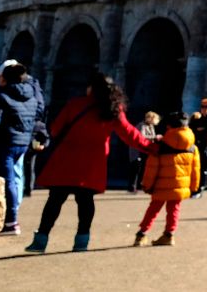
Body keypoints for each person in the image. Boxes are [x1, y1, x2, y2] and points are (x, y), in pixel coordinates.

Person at [24, 74, 157, 253]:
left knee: (55, 200)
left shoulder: (75, 104)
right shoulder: (113, 109)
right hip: (92, 163)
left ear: (91, 88)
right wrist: (153, 148)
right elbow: (130, 134)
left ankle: (41, 239)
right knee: (85, 202)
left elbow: (55, 130)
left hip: (67, 159)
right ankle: (81, 241)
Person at [0, 60, 46, 236]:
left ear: (4, 79)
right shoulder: (31, 95)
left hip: (5, 142)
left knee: (7, 181)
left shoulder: (3, 95)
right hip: (22, 142)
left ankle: (11, 222)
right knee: (14, 178)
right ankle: (8, 217)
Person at [133, 110, 200, 247]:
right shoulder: (192, 147)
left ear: (169, 126)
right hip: (180, 185)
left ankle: (141, 235)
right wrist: (194, 187)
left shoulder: (161, 146)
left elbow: (151, 168)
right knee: (174, 209)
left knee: (153, 210)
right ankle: (169, 235)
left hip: (161, 185)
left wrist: (147, 185)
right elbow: (195, 169)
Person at [128, 111, 160, 192]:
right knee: (136, 168)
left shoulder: (151, 126)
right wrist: (154, 137)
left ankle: (140, 185)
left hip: (146, 149)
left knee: (143, 168)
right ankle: (132, 186)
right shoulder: (141, 125)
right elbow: (141, 136)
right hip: (138, 150)